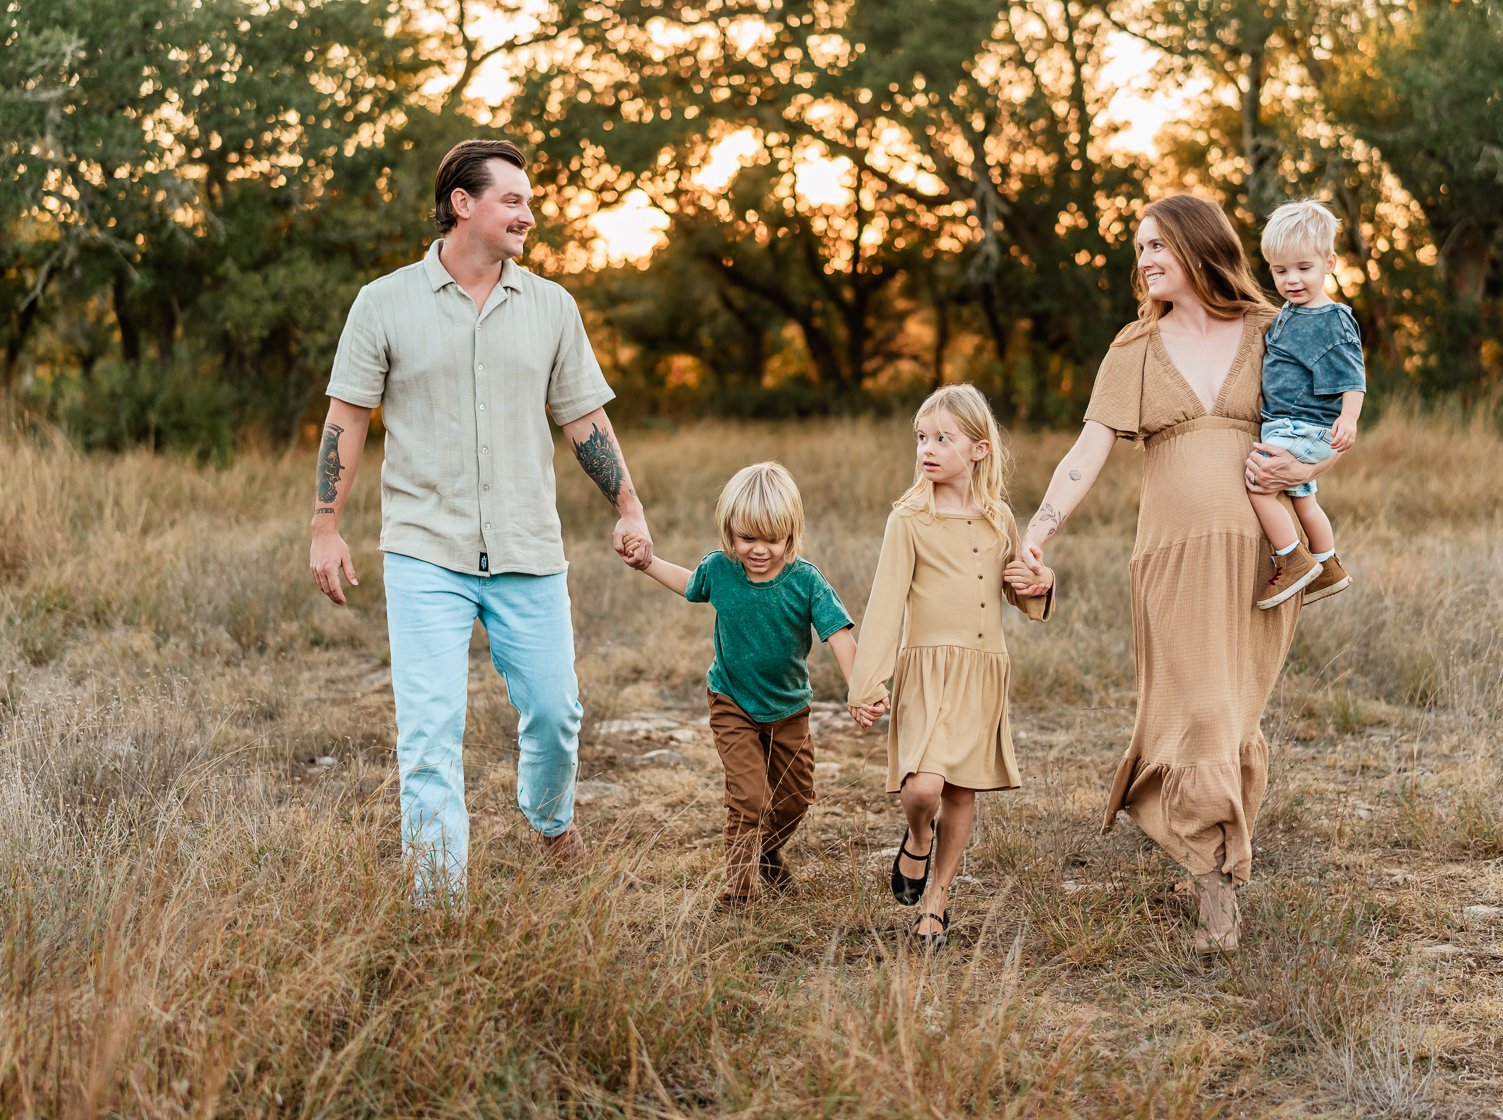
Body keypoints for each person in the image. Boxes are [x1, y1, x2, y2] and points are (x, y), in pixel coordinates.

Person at [307, 138, 653, 903]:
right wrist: (324, 526)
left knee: (557, 714)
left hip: (529, 550)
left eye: (528, 201)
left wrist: (629, 507)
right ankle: (438, 913)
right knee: (430, 737)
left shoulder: (552, 307)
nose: (530, 214)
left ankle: (551, 816)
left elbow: (584, 421)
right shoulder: (384, 303)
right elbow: (347, 420)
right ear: (464, 204)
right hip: (425, 552)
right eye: (514, 200)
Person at [1011, 194, 1334, 952]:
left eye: (1158, 245)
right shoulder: (1135, 347)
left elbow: (1325, 422)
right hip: (1174, 558)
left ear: (1197, 247)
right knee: (1199, 712)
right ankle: (1216, 887)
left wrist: (1308, 459)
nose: (1146, 260)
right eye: (1141, 249)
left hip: (1265, 560)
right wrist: (1038, 530)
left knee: (1232, 711)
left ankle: (1213, 851)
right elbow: (1086, 452)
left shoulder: (1272, 330)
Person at [847, 384, 1053, 951]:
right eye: (921, 438)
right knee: (924, 788)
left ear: (979, 449)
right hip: (929, 670)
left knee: (962, 791)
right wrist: (868, 682)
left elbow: (1018, 588)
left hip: (984, 668)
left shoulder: (998, 518)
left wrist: (1041, 582)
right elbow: (885, 603)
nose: (927, 449)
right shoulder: (909, 519)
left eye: (943, 438)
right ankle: (917, 836)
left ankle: (937, 900)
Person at [619, 462, 857, 907]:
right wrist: (648, 562)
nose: (760, 550)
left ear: (791, 535)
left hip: (789, 709)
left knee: (795, 799)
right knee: (749, 798)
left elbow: (839, 637)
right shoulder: (721, 570)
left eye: (772, 539)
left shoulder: (806, 582)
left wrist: (860, 689)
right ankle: (739, 893)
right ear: (730, 533)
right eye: (748, 538)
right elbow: (689, 583)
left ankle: (766, 853)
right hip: (732, 701)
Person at [1249, 200, 1366, 609]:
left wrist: (1348, 419)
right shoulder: (1290, 312)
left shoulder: (1331, 318)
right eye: (1280, 271)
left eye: (1303, 268)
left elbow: (1353, 376)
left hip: (1302, 426)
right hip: (1292, 425)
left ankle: (1291, 559)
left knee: (1260, 484)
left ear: (1329, 262)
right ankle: (1327, 563)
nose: (1291, 280)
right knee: (1304, 500)